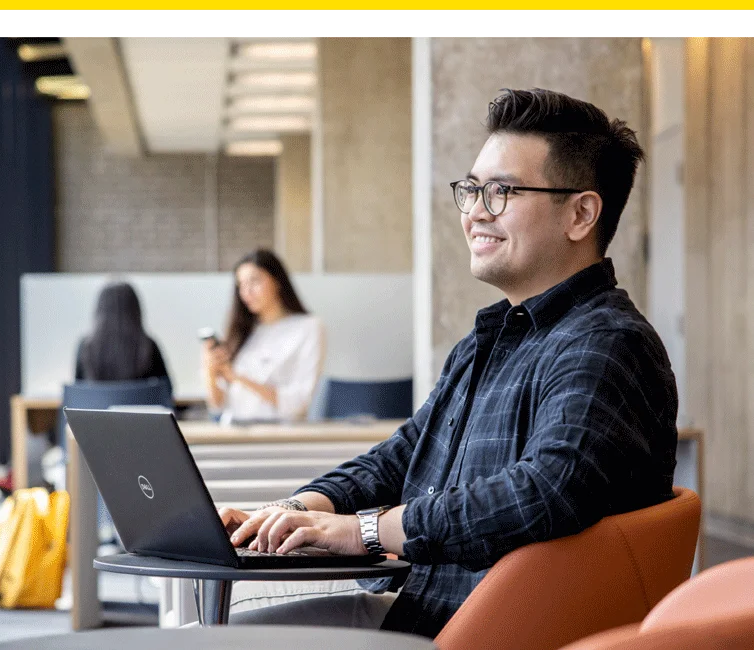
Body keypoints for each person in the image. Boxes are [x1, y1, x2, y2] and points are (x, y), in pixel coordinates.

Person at [217, 88, 679, 638]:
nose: (476, 212)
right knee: (220, 635)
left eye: (502, 191)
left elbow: (546, 490)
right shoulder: (486, 342)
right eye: (472, 189)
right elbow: (403, 456)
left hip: (490, 633)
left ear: (580, 213)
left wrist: (364, 530)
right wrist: (293, 509)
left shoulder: (605, 341)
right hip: (426, 615)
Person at [202, 249, 325, 423]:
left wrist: (238, 377)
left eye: (254, 281)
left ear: (277, 281)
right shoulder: (243, 332)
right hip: (232, 431)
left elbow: (298, 403)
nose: (247, 292)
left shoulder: (308, 327)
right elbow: (217, 405)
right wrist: (211, 371)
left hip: (278, 434)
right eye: (241, 285)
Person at [75, 281, 170, 387]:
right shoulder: (148, 345)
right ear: (136, 309)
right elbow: (167, 390)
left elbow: (78, 392)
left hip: (96, 403)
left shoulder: (85, 347)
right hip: (138, 403)